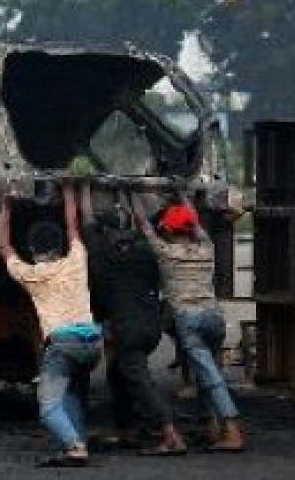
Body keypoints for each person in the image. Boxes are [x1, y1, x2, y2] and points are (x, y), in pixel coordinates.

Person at [131, 192, 245, 452]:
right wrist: (182, 191)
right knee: (210, 373)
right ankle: (214, 427)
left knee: (210, 376)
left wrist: (131, 192)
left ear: (168, 231)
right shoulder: (207, 248)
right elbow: (194, 220)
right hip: (214, 317)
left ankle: (233, 430)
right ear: (191, 228)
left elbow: (143, 224)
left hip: (189, 319)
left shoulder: (165, 253)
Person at [0, 184, 101, 467]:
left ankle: (75, 446)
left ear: (32, 250)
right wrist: (69, 191)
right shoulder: (77, 260)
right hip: (92, 344)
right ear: (61, 246)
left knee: (49, 405)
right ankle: (77, 439)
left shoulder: (33, 275)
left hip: (63, 346)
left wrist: (6, 207)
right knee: (74, 394)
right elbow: (72, 227)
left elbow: (4, 247)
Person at [80, 184, 187, 455]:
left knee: (138, 379)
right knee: (118, 373)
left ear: (105, 233)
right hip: (151, 327)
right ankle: (128, 429)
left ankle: (170, 434)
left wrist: (82, 186)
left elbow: (87, 217)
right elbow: (140, 222)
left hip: (128, 329)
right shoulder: (145, 252)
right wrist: (128, 192)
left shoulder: (101, 256)